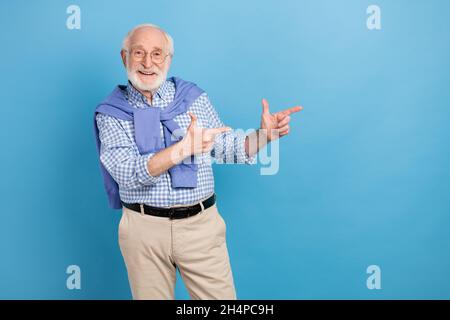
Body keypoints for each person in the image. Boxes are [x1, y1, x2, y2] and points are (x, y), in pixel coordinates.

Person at [93, 23, 302, 300]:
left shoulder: (192, 98)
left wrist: (264, 135)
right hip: (143, 231)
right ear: (124, 57)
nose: (147, 63)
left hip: (200, 226)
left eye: (157, 54)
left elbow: (228, 148)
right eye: (138, 53)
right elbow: (127, 174)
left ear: (168, 60)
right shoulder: (110, 112)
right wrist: (182, 149)